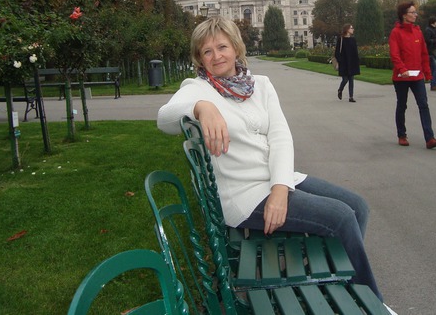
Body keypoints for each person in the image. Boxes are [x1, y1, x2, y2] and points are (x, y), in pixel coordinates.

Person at [157, 16, 382, 300]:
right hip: (244, 195)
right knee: (342, 218)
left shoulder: (260, 84)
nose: (216, 56)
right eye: (207, 51)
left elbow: (280, 137)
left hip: (276, 181)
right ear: (199, 58)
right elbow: (164, 118)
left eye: (222, 47)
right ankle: (368, 301)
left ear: (236, 48)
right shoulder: (197, 89)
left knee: (358, 207)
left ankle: (327, 278)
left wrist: (280, 189)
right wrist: (202, 107)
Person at [389, 2, 436, 149]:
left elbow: (424, 54)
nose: (415, 15)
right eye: (412, 12)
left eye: (415, 12)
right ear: (404, 15)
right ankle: (402, 135)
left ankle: (430, 138)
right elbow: (394, 54)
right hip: (402, 77)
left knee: (423, 105)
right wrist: (402, 69)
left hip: (417, 76)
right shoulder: (396, 33)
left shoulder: (417, 31)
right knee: (402, 105)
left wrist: (427, 72)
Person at [334, 23, 360, 102]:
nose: (353, 29)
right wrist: (340, 61)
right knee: (345, 79)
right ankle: (340, 89)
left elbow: (355, 52)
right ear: (347, 29)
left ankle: (351, 97)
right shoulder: (341, 39)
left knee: (351, 80)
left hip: (351, 63)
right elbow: (337, 52)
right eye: (351, 28)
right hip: (344, 63)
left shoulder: (353, 40)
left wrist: (357, 61)